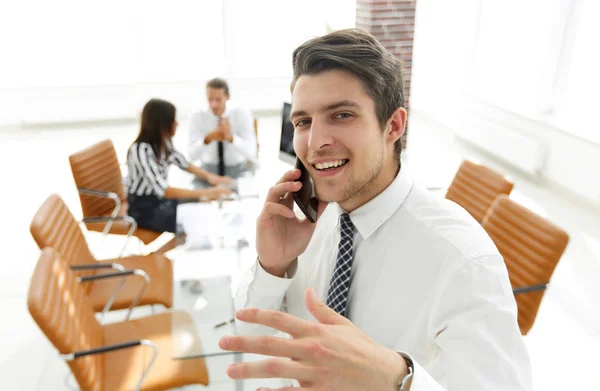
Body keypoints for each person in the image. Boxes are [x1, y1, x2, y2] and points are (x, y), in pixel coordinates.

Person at [218, 29, 532, 390]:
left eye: (341, 115)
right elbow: (253, 331)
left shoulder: (463, 261)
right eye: (303, 122)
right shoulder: (312, 219)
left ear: (393, 126)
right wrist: (272, 266)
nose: (315, 143)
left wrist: (398, 380)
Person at [126, 98, 233, 235]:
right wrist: (208, 192)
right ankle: (156, 255)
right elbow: (164, 190)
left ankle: (156, 255)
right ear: (162, 124)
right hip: (144, 209)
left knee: (202, 207)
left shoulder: (163, 142)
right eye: (173, 120)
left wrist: (213, 178)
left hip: (160, 201)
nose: (177, 124)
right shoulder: (140, 151)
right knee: (194, 223)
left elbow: (183, 163)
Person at [188, 78, 257, 177]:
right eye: (210, 99)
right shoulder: (197, 116)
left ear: (227, 97)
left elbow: (251, 153)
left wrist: (231, 138)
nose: (214, 105)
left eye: (218, 99)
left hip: (239, 169)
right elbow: (192, 156)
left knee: (248, 190)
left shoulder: (241, 114)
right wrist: (206, 140)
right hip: (208, 171)